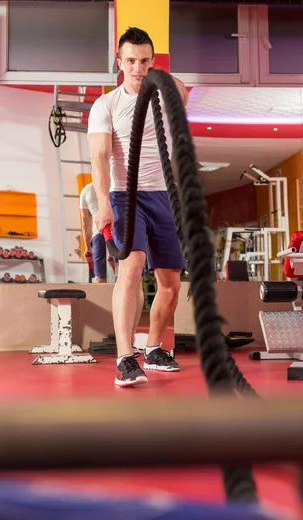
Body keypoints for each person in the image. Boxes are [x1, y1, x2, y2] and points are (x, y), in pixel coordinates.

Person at [88, 26, 189, 387]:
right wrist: (103, 205)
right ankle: (124, 358)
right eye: (131, 60)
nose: (137, 67)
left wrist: (158, 75)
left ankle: (155, 348)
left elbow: (183, 95)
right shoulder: (106, 105)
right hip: (124, 196)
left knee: (171, 284)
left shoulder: (161, 95)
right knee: (130, 272)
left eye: (145, 61)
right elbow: (99, 156)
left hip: (163, 195)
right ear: (119, 61)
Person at [79, 182, 112, 283]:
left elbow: (86, 223)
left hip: (99, 233)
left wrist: (88, 248)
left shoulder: (86, 190)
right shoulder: (115, 184)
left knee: (101, 279)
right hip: (118, 231)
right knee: (129, 277)